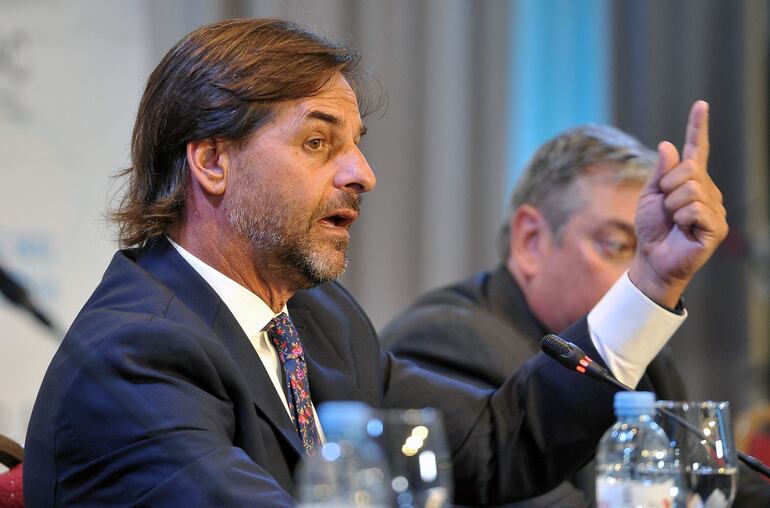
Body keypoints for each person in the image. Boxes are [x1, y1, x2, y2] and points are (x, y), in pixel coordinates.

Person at [23, 19, 726, 507]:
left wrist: (653, 278)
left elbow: (495, 444)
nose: (362, 172)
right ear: (212, 161)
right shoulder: (135, 355)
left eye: (357, 142)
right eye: (319, 143)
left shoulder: (317, 319)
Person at [382, 125, 685, 506]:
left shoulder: (642, 357)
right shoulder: (444, 340)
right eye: (619, 245)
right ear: (531, 241)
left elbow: (711, 483)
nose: (641, 274)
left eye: (650, 249)